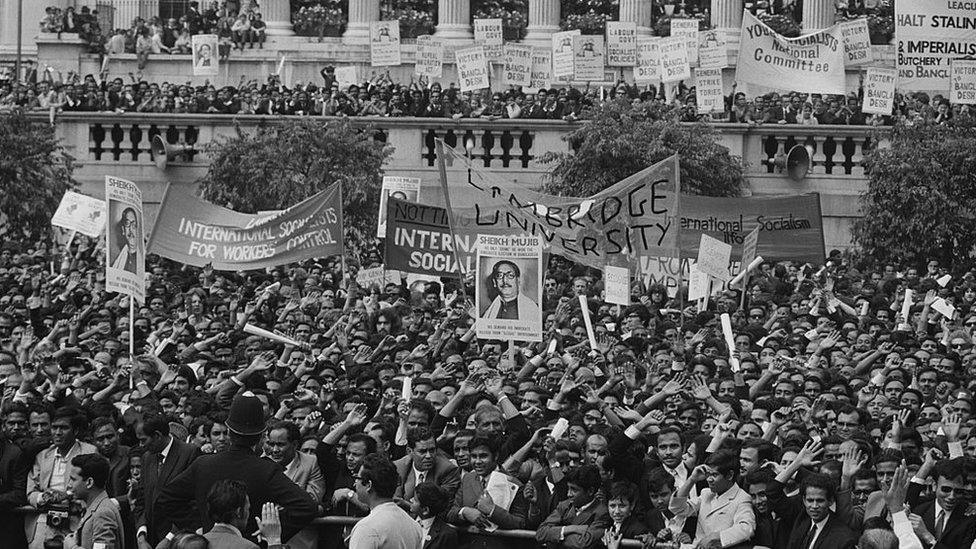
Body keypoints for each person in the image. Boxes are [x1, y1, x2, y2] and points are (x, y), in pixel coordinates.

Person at [155, 392, 318, 544]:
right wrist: (269, 533)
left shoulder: (203, 464)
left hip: (209, 543)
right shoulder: (267, 470)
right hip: (250, 543)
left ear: (229, 432)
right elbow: (306, 507)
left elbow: (166, 499)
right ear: (261, 436)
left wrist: (200, 527)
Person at [26, 408, 97, 549]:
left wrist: (67, 496)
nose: (57, 433)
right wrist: (43, 497)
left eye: (63, 428)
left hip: (75, 515)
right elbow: (31, 490)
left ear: (75, 431)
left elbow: (93, 488)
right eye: (54, 427)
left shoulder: (89, 452)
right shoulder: (43, 455)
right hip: (45, 514)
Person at [134, 414, 200, 548]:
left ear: (157, 436)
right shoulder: (147, 457)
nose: (140, 445)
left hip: (179, 541)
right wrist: (141, 536)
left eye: (143, 440)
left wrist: (170, 538)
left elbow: (193, 504)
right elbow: (141, 500)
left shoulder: (189, 453)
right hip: (150, 540)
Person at [669, 450, 755, 549]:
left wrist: (716, 537)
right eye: (708, 475)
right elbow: (677, 509)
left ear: (730, 475)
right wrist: (692, 479)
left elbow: (746, 528)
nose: (709, 479)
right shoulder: (706, 493)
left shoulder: (742, 498)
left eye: (714, 475)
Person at [347, 453, 424, 549]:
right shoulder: (413, 526)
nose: (355, 484)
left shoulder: (366, 528)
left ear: (368, 485)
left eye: (357, 478)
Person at [536, 464, 610, 549]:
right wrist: (571, 529)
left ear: (590, 491)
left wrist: (552, 538)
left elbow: (583, 542)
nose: (568, 494)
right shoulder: (564, 505)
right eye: (568, 488)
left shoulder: (602, 512)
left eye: (574, 490)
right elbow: (541, 532)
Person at [202, 479, 289, 549]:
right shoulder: (248, 547)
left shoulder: (196, 543)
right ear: (239, 512)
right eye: (248, 509)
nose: (248, 514)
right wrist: (274, 540)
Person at [66, 453, 123, 549]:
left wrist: (71, 546)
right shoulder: (95, 507)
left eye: (73, 479)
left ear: (89, 482)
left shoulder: (103, 513)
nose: (69, 485)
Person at [393, 427, 461, 506]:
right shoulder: (398, 467)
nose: (428, 456)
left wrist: (407, 505)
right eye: (422, 451)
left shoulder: (448, 470)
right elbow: (395, 499)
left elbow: (440, 506)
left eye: (432, 450)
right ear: (409, 451)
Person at [480, 260, 541, 325]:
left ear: (518, 281)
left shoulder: (532, 309)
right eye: (499, 276)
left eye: (510, 275)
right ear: (495, 282)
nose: (505, 280)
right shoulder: (489, 312)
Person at [412, 482, 458, 549]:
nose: (411, 500)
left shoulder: (447, 534)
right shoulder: (406, 521)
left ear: (425, 510)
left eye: (415, 500)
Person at [109, 206, 141, 273]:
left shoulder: (143, 259)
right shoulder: (117, 263)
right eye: (127, 224)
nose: (130, 229)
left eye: (134, 225)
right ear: (123, 230)